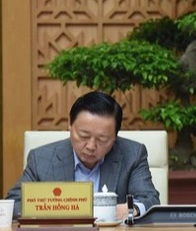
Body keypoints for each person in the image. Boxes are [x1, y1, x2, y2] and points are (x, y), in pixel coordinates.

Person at [6, 91, 160, 219]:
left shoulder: (132, 154)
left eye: (102, 139)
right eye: (84, 136)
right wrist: (56, 208)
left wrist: (129, 210)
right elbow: (14, 204)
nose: (91, 146)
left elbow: (150, 200)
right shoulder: (41, 158)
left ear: (115, 136)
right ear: (70, 125)